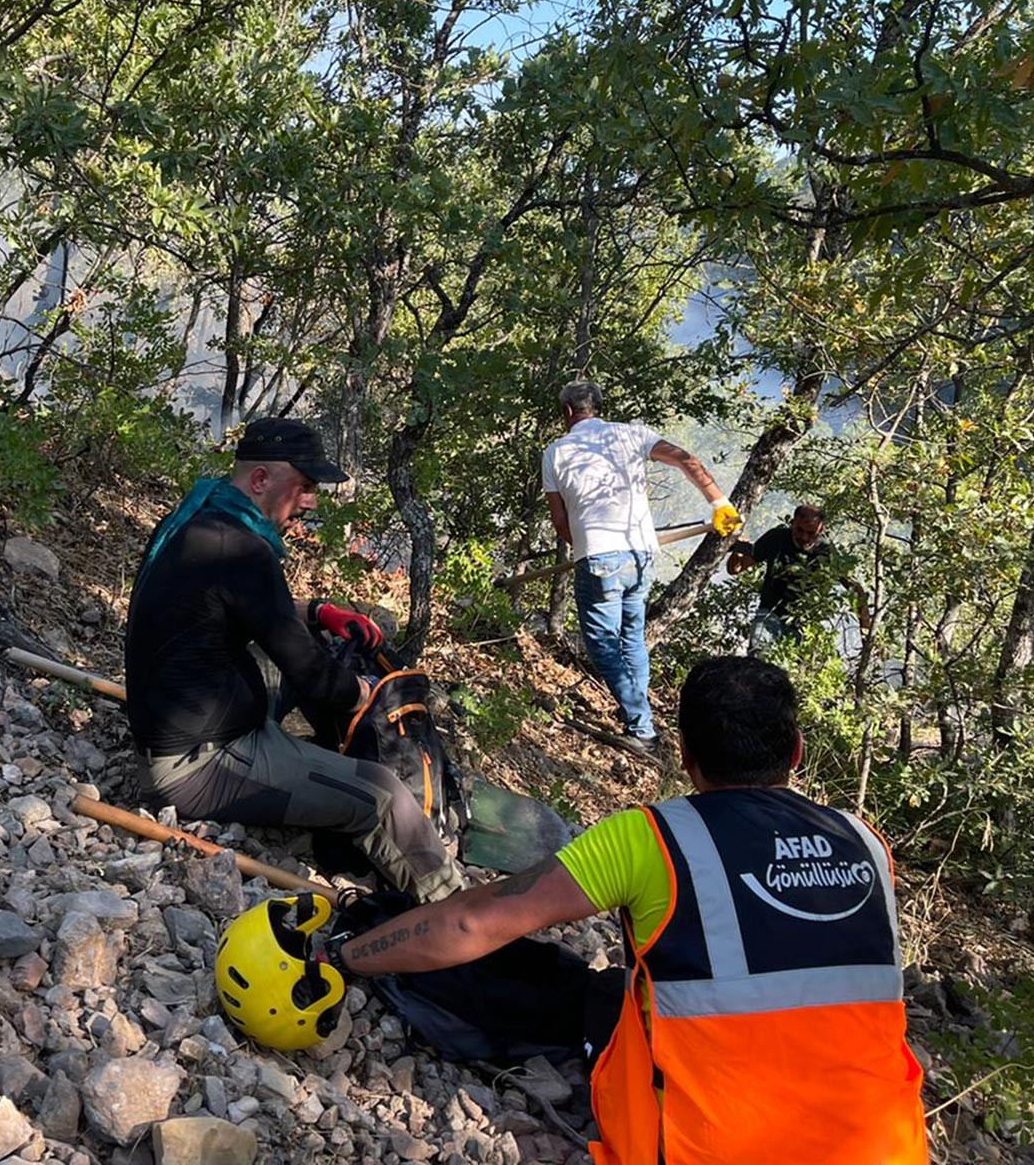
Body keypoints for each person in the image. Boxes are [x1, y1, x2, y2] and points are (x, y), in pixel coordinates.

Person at [292, 657, 927, 1164]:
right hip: (885, 1147)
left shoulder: (654, 837)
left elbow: (470, 923)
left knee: (561, 987)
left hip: (706, 1146)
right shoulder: (866, 843)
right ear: (796, 750)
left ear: (685, 756)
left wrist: (342, 954)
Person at [124, 416, 465, 901]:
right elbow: (316, 677)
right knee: (385, 796)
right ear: (261, 480)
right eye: (304, 486)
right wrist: (360, 696)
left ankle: (325, 764)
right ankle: (455, 910)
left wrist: (320, 613)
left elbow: (247, 608)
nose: (311, 502)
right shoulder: (242, 549)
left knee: (311, 643)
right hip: (200, 766)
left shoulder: (202, 516)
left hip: (189, 723)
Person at [541, 380, 740, 756]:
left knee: (602, 645)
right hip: (641, 554)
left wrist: (583, 544)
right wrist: (719, 502)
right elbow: (687, 460)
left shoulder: (555, 452)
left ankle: (642, 727)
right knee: (631, 638)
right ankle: (640, 719)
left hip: (598, 557)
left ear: (567, 411)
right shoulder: (632, 435)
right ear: (597, 407)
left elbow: (559, 521)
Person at [726, 503, 871, 653]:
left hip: (802, 623)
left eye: (811, 532)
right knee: (758, 656)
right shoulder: (776, 538)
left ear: (821, 530)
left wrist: (867, 635)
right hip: (769, 612)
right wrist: (738, 551)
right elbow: (735, 569)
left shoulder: (826, 552)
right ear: (792, 523)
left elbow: (856, 590)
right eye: (799, 530)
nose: (804, 536)